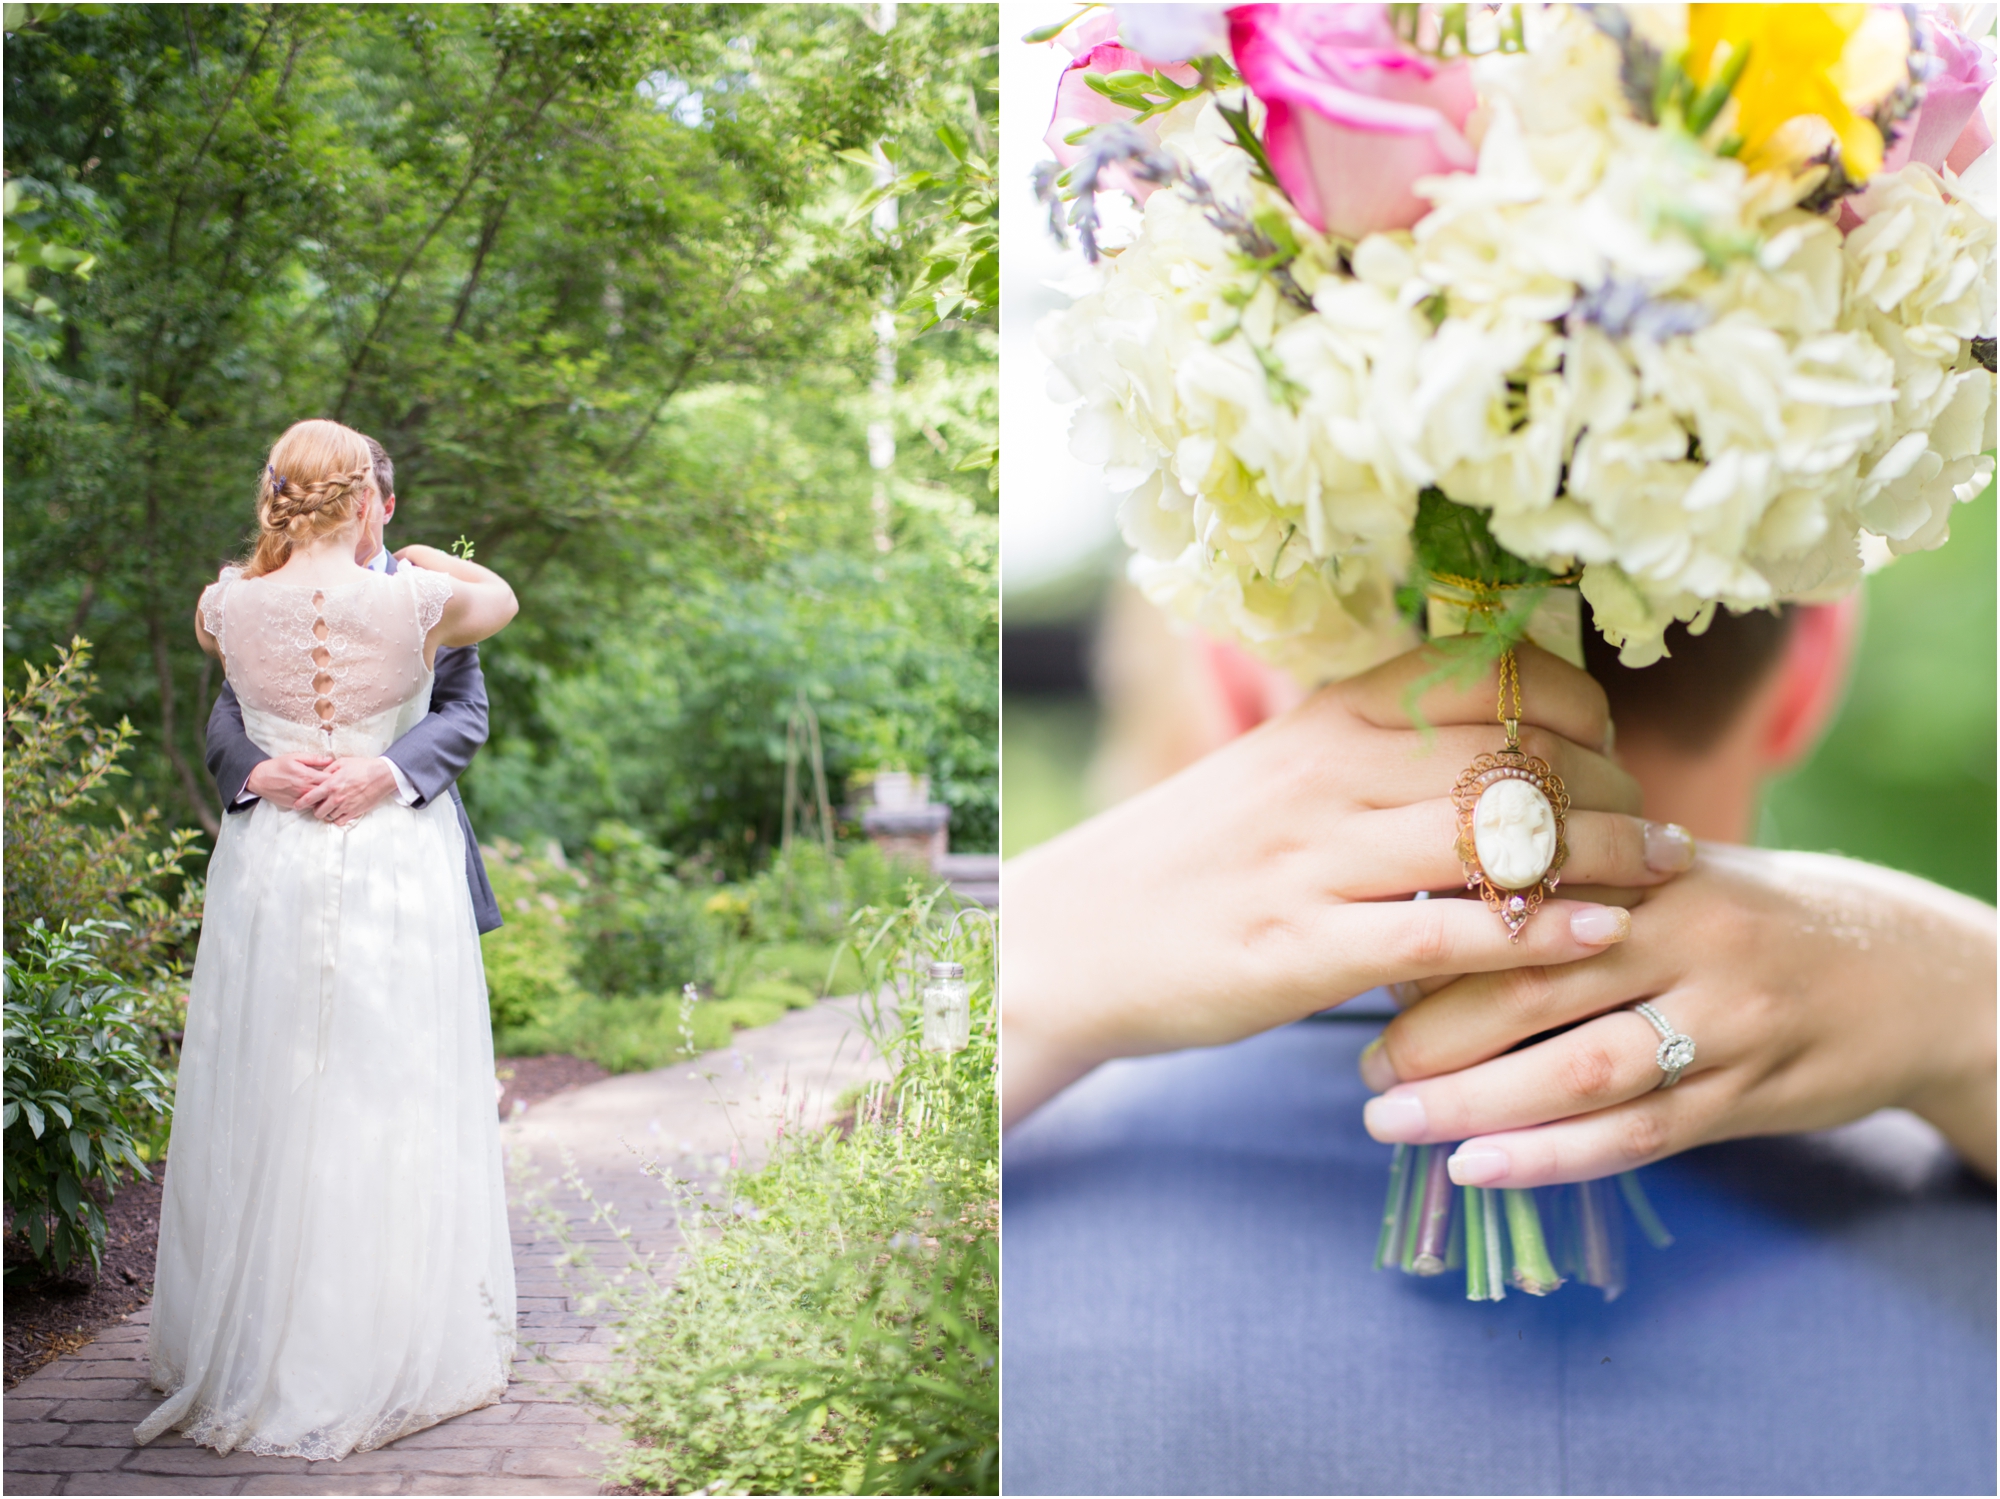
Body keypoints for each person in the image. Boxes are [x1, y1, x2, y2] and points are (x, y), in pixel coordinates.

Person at [1001, 599, 1996, 1495]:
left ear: (1227, 669)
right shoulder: (1963, 1239)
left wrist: (1010, 962)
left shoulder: (1004, 1227)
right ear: (1814, 659)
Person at [137, 419, 522, 1459]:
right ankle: (381, 1342)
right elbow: (499, 601)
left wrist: (360, 763)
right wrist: (427, 554)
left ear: (275, 495)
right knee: (381, 1081)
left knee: (278, 1082)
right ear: (367, 498)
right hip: (390, 861)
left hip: (280, 865)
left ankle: (266, 1339)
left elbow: (443, 716)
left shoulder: (226, 600)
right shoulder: (423, 602)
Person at [204, 436, 501, 934]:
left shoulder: (426, 595)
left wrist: (388, 773)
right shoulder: (266, 593)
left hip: (404, 844)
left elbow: (465, 711)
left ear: (382, 507)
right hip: (281, 842)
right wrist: (254, 774)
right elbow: (232, 707)